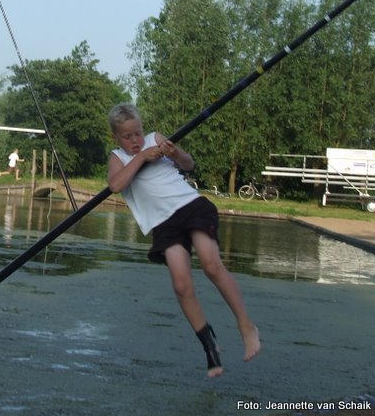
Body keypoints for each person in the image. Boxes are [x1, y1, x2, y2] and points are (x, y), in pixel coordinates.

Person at [106, 103, 260, 378]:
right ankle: (209, 345)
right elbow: (116, 185)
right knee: (181, 284)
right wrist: (142, 158)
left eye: (138, 133)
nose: (136, 141)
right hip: (164, 224)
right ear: (116, 137)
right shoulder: (118, 157)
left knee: (211, 264)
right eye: (127, 137)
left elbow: (189, 164)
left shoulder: (155, 139)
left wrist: (173, 152)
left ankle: (246, 326)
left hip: (191, 207)